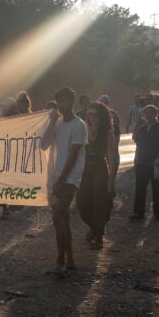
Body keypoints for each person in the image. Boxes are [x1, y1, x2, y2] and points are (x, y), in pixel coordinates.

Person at [46, 87, 87, 275]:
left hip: (70, 178)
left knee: (57, 216)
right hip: (55, 178)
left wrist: (62, 179)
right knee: (63, 220)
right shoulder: (58, 123)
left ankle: (59, 259)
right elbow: (44, 144)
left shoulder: (79, 125)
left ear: (72, 102)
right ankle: (69, 258)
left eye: (65, 101)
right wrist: (51, 122)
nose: (63, 105)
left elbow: (74, 154)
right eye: (59, 102)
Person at [78, 101, 116, 249]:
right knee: (82, 203)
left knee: (100, 203)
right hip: (85, 169)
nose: (92, 118)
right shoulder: (83, 129)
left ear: (102, 116)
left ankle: (98, 236)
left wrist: (111, 179)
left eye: (95, 115)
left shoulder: (107, 132)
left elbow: (111, 156)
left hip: (100, 168)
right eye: (89, 114)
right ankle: (94, 227)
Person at [129, 105, 159, 221]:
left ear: (156, 114)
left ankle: (158, 213)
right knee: (140, 188)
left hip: (157, 163)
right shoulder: (142, 129)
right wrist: (136, 159)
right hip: (142, 162)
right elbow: (138, 145)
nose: (148, 115)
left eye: (151, 113)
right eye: (146, 113)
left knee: (158, 188)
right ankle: (138, 212)